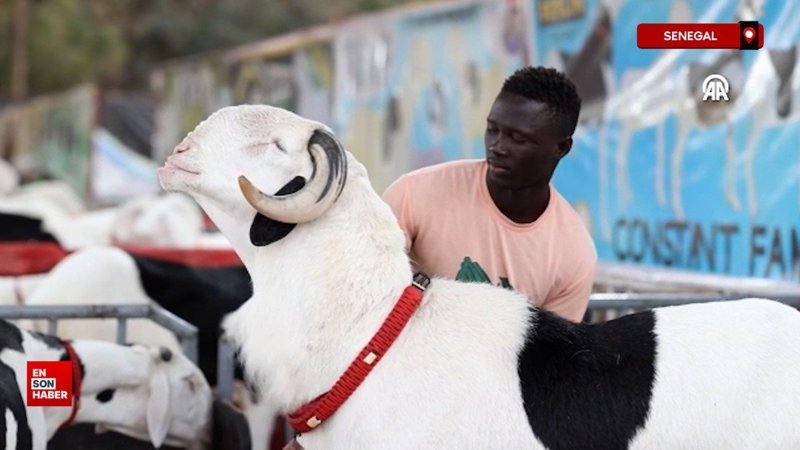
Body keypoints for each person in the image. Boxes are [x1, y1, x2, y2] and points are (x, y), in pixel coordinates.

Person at [382, 66, 596, 322]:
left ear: (561, 147)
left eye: (517, 138)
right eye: (493, 129)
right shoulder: (413, 194)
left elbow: (547, 357)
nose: (497, 147)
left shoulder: (573, 254)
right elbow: (363, 293)